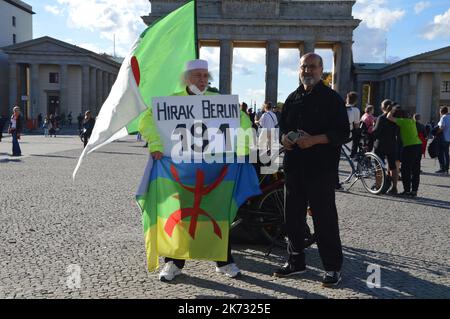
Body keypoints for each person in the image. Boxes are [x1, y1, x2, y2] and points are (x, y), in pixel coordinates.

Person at [139, 59, 253, 282]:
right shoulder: (170, 102)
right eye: (197, 76)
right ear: (186, 78)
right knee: (178, 213)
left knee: (218, 212)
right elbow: (146, 120)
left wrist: (242, 148)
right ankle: (173, 263)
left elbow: (244, 122)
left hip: (215, 168)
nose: (202, 80)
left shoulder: (220, 101)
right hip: (179, 169)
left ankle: (224, 261)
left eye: (205, 76)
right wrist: (155, 144)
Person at [276, 53, 349, 287]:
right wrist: (284, 139)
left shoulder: (332, 98)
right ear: (299, 70)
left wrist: (315, 140)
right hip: (294, 167)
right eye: (304, 67)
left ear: (322, 70)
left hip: (321, 169)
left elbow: (343, 133)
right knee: (292, 218)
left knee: (324, 219)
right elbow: (283, 128)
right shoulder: (292, 97)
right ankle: (296, 260)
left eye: (312, 67)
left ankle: (332, 268)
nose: (308, 71)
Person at [386, 108, 423, 197]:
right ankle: (414, 191)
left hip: (409, 147)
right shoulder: (412, 121)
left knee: (406, 169)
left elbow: (389, 117)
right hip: (418, 145)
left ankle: (406, 191)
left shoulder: (402, 121)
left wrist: (392, 110)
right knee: (415, 170)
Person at [372, 99, 399, 195]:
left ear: (382, 107)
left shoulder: (381, 118)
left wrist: (372, 128)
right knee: (393, 166)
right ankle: (394, 187)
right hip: (392, 144)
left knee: (378, 166)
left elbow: (376, 132)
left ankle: (378, 186)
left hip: (381, 144)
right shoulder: (395, 118)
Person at [345, 92, 361, 158]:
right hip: (347, 134)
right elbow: (357, 125)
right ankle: (353, 152)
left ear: (347, 99)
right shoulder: (356, 110)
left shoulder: (340, 107)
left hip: (337, 131)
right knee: (358, 131)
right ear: (356, 101)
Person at [435, 106, 450, 174]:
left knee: (441, 154)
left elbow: (441, 127)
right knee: (446, 154)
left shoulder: (443, 117)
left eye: (440, 111)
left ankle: (442, 168)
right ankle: (446, 168)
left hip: (443, 138)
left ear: (442, 111)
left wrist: (436, 133)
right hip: (448, 138)